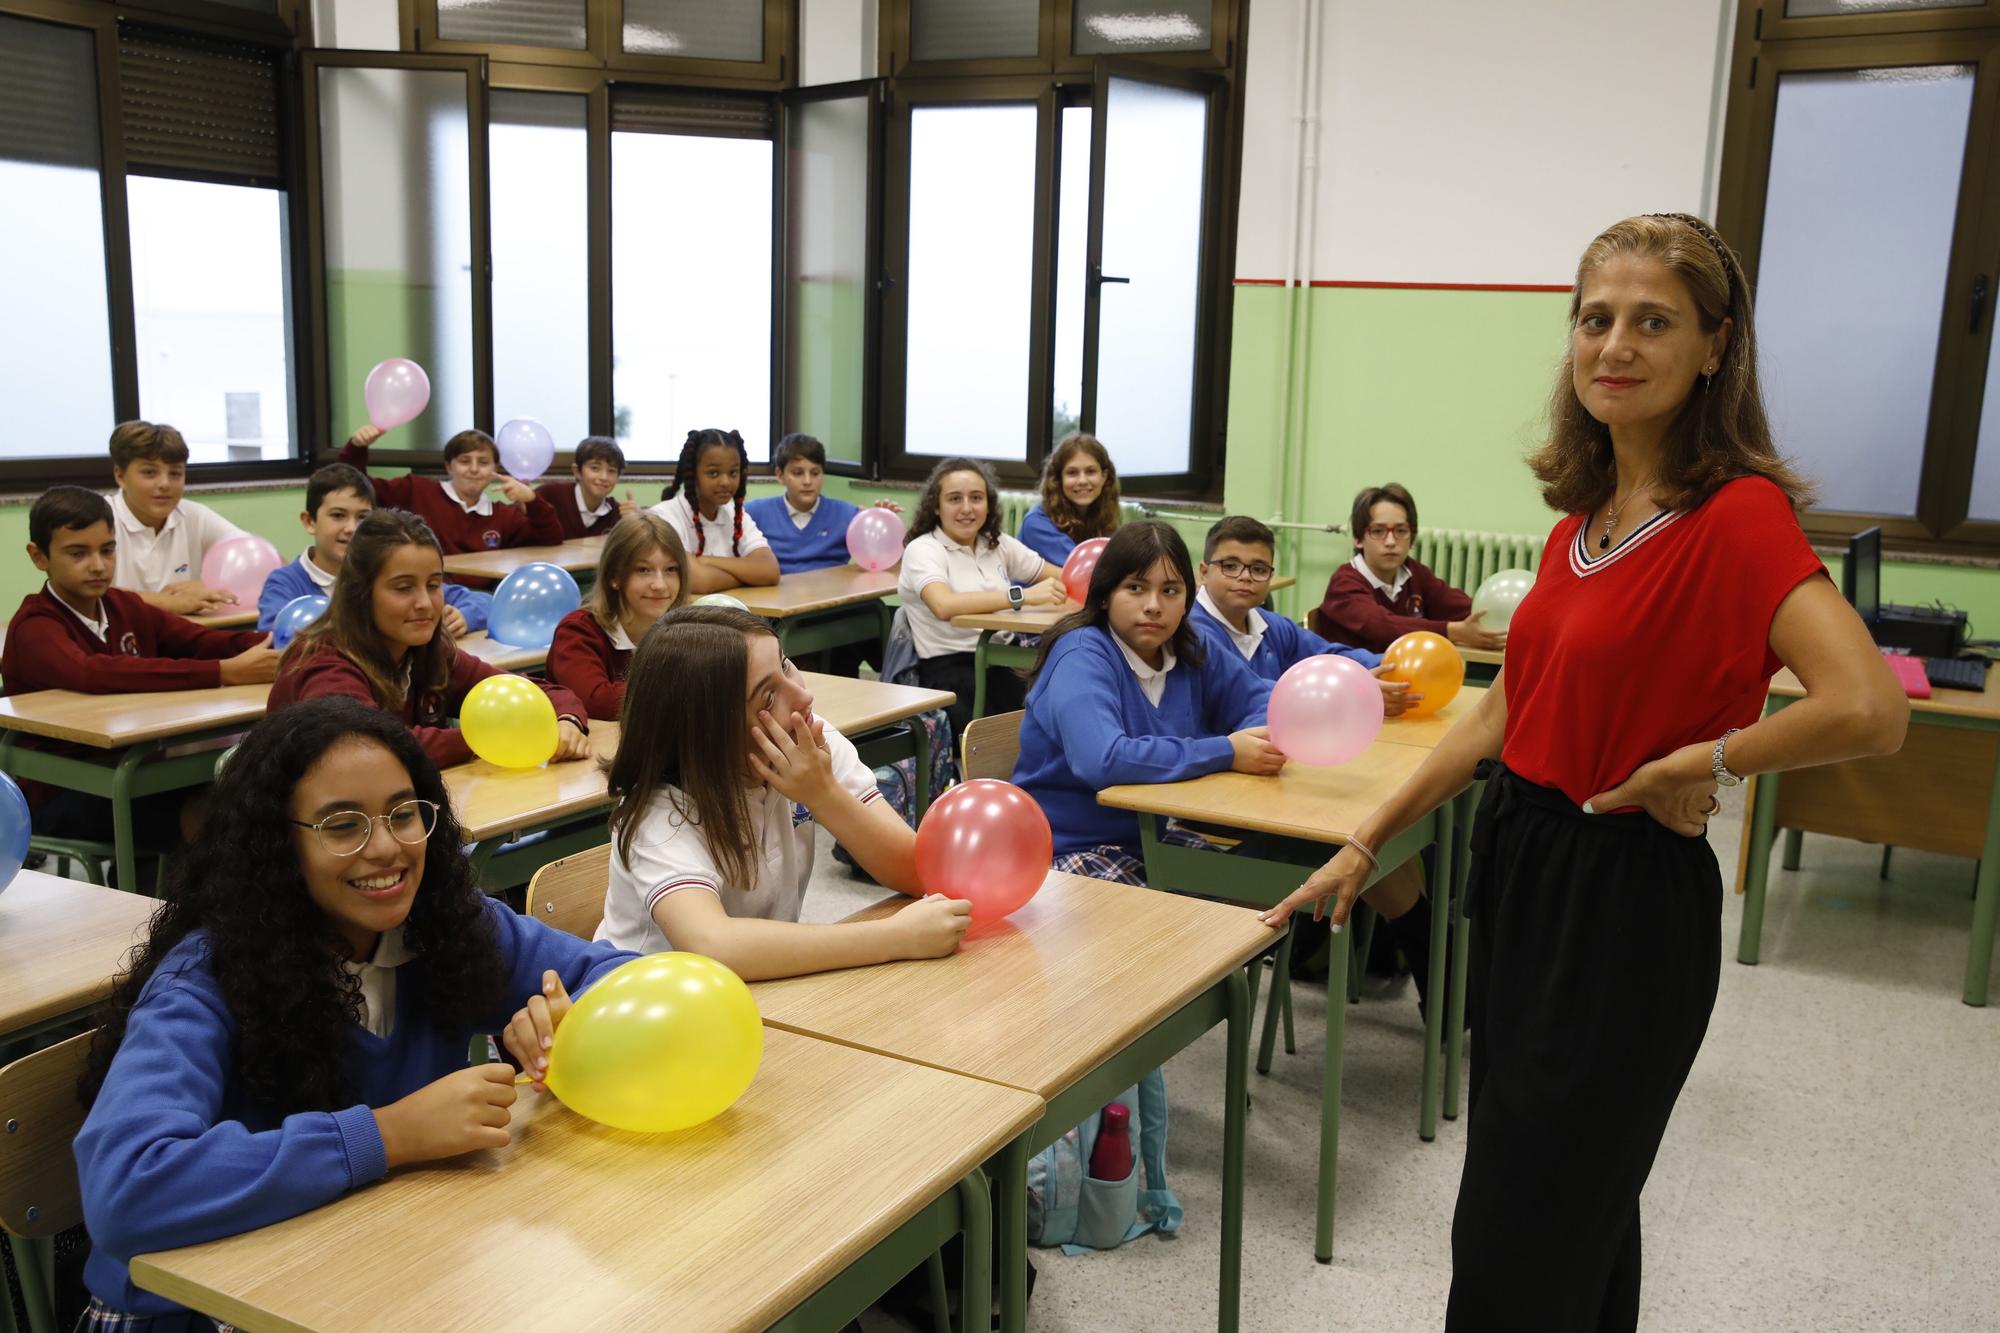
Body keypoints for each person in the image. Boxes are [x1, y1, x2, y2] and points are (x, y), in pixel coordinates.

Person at [1260, 213, 1909, 1331]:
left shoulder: (1738, 517)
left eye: (1651, 321)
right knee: (1571, 1213)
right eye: (1593, 318)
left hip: (1623, 904)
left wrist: (1706, 761)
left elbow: (1868, 706)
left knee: (1522, 1231)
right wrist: (1365, 837)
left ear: (1713, 346)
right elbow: (1501, 717)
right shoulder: (1577, 522)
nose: (1614, 344)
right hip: (1523, 869)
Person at [73, 697, 642, 1328]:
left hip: (360, 1271)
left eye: (404, 815)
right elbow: (125, 1189)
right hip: (191, 1310)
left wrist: (569, 1021)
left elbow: (618, 976)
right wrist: (390, 1134)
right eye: (342, 826)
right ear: (275, 846)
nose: (387, 849)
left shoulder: (447, 924)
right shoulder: (204, 981)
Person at [596, 604, 971, 979]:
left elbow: (915, 872)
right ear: (707, 734)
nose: (803, 696)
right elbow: (713, 946)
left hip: (759, 990)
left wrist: (824, 795)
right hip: (655, 1004)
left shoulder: (806, 743)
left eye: (786, 663)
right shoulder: (660, 811)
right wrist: (893, 937)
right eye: (768, 698)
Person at [3, 486, 278, 848]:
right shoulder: (35, 625)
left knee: (248, 795)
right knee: (211, 814)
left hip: (134, 772)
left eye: (107, 549)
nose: (98, 565)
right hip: (61, 793)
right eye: (77, 553)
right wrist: (223, 672)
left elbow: (200, 641)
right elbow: (92, 672)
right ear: (39, 557)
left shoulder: (122, 605)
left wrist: (281, 645)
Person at [1012, 522, 1278, 885]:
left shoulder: (1190, 646)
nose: (1154, 606)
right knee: (1204, 918)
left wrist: (1257, 739)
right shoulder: (1081, 654)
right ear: (1105, 594)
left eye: (1170, 590)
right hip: (1067, 848)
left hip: (1147, 836)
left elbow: (1259, 700)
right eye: (1135, 588)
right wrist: (1227, 752)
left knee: (1263, 882)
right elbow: (1102, 760)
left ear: (1188, 600)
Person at [268, 508, 590, 769]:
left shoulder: (426, 653)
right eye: (403, 587)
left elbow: (537, 691)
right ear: (360, 594)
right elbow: (372, 747)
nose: (425, 603)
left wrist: (566, 720)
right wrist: (495, 734)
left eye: (434, 585)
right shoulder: (324, 661)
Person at [898, 456, 1066, 741]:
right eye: (954, 499)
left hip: (1002, 658)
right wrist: (1021, 597)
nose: (966, 508)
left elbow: (1061, 577)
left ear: (988, 504)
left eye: (976, 498)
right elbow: (943, 605)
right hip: (951, 671)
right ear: (936, 506)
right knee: (1014, 737)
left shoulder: (996, 543)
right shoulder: (924, 549)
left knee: (1060, 703)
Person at [257, 462, 489, 638]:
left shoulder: (386, 572)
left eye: (362, 517)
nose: (351, 528)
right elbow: (276, 635)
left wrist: (464, 617)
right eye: (338, 516)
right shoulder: (285, 582)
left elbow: (484, 603)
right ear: (310, 522)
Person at [1316, 483, 1505, 654]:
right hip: (1356, 681)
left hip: (1404, 679)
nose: (1390, 542)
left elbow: (1458, 606)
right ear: (1358, 538)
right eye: (1378, 531)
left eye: (1401, 531)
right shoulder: (1344, 583)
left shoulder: (1412, 573)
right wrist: (1454, 631)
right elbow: (1383, 627)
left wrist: (1497, 617)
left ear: (1412, 537)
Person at [547, 512, 691, 720]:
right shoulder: (578, 631)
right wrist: (684, 691)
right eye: (643, 570)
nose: (659, 585)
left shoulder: (685, 628)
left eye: (670, 570)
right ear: (614, 576)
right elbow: (596, 702)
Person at [339, 424, 563, 554]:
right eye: (465, 461)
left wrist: (533, 501)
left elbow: (551, 538)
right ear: (449, 466)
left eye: (483, 463)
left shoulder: (503, 515)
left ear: (495, 469)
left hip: (482, 601)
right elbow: (356, 485)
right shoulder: (415, 490)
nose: (474, 469)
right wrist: (357, 448)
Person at [106, 420, 248, 615]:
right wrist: (166, 603)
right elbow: (81, 591)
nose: (165, 483)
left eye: (175, 473)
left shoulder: (195, 516)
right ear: (120, 476)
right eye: (149, 473)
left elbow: (274, 565)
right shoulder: (98, 518)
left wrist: (208, 584)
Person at [744, 432, 903, 574]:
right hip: (776, 602)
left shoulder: (849, 515)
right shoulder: (754, 513)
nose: (807, 481)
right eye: (797, 473)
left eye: (815, 473)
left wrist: (887, 529)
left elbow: (888, 564)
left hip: (833, 602)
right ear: (780, 475)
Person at [649, 428, 780, 593]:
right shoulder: (664, 517)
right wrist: (748, 578)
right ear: (692, 474)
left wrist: (706, 561)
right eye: (713, 473)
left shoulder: (734, 512)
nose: (725, 481)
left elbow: (770, 570)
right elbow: (698, 581)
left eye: (733, 472)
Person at [1017, 432, 1122, 566]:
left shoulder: (1103, 516)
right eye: (1072, 473)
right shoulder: (1036, 523)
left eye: (1090, 471)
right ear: (1058, 479)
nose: (1082, 481)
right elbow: (1087, 570)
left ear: (1104, 476)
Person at [536, 436, 639, 540]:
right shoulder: (549, 495)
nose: (604, 477)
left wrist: (633, 523)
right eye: (595, 468)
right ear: (577, 471)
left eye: (611, 471)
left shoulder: (617, 513)